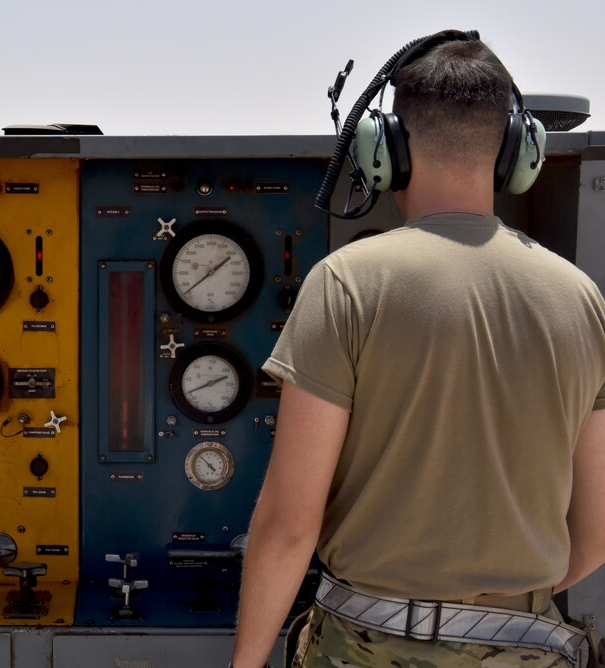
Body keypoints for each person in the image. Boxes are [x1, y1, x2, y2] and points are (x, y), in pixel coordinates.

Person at [231, 32, 605, 667]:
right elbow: (593, 537)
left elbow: (288, 529)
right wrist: (488, 608)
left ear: (386, 152)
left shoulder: (346, 284)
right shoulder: (580, 298)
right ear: (517, 152)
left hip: (362, 645)